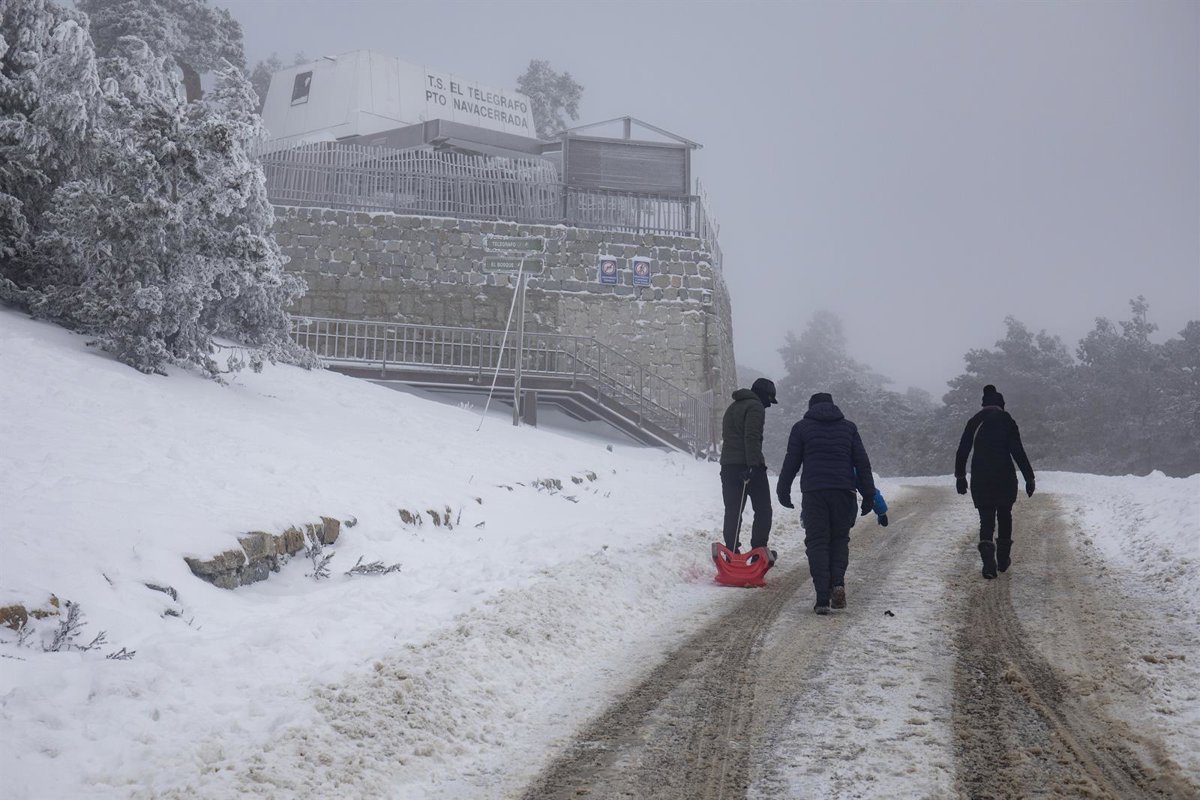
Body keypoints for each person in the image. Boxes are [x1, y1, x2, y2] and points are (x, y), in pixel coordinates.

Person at [776, 392, 876, 615]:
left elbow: (791, 461)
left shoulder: (801, 428)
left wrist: (783, 490)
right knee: (839, 539)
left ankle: (822, 598)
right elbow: (862, 463)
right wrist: (868, 494)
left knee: (818, 541)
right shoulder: (848, 428)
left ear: (810, 407)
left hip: (814, 493)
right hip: (843, 491)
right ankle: (837, 583)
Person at [954, 384, 1035, 579]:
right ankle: (1003, 558)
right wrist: (1029, 477)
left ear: (984, 404)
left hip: (981, 477)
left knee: (986, 518)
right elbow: (1017, 450)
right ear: (1001, 404)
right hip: (1005, 476)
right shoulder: (1007, 420)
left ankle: (988, 560)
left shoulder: (974, 421)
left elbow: (963, 449)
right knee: (1005, 514)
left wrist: (960, 476)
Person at [718, 377, 777, 552]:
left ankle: (731, 551)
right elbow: (752, 436)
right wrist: (753, 465)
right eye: (769, 399)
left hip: (728, 466)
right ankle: (759, 550)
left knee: (733, 511)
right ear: (763, 394)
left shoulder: (733, 407)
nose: (769, 404)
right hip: (749, 466)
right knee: (763, 509)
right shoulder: (755, 406)